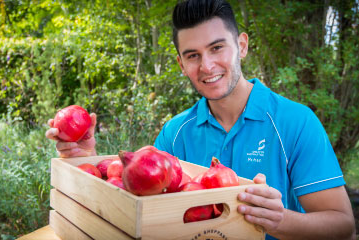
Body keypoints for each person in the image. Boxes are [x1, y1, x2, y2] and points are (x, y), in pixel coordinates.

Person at [46, 0, 356, 239]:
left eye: (217, 48)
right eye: (193, 55)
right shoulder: (174, 134)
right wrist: (86, 163)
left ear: (242, 46)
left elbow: (343, 226)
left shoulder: (296, 122)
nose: (207, 66)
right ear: (181, 63)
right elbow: (141, 209)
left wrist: (280, 220)